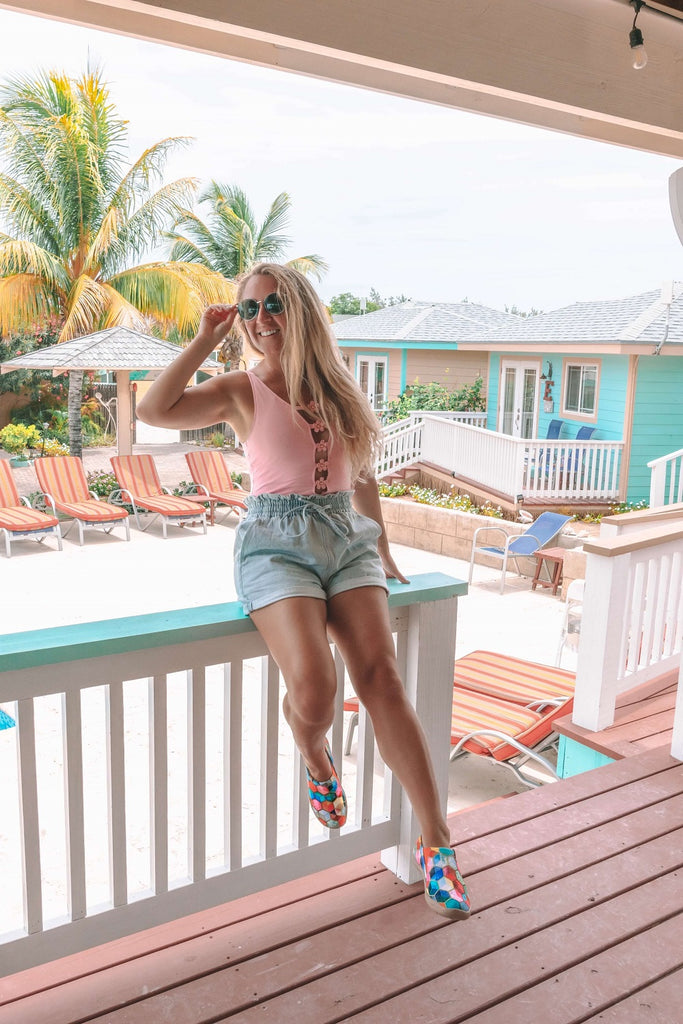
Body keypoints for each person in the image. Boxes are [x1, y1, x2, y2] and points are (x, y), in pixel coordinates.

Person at [137, 262, 470, 920]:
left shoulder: (340, 386)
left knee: (381, 677)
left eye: (273, 304)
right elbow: (155, 409)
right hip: (275, 542)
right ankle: (316, 757)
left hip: (345, 540)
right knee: (315, 687)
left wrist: (381, 545)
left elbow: (362, 469)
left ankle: (439, 844)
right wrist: (206, 339)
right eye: (250, 308)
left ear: (302, 309)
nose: (261, 318)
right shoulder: (239, 387)